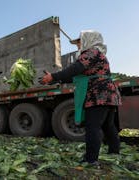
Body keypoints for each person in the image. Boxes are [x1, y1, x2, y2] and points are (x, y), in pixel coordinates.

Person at [40, 30, 121, 166]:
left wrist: (53, 76)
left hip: (98, 93)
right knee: (108, 125)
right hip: (109, 94)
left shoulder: (91, 52)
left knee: (92, 126)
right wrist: (53, 80)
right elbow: (74, 76)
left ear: (88, 40)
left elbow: (75, 69)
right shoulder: (97, 54)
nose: (78, 45)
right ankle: (114, 152)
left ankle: (91, 160)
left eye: (79, 42)